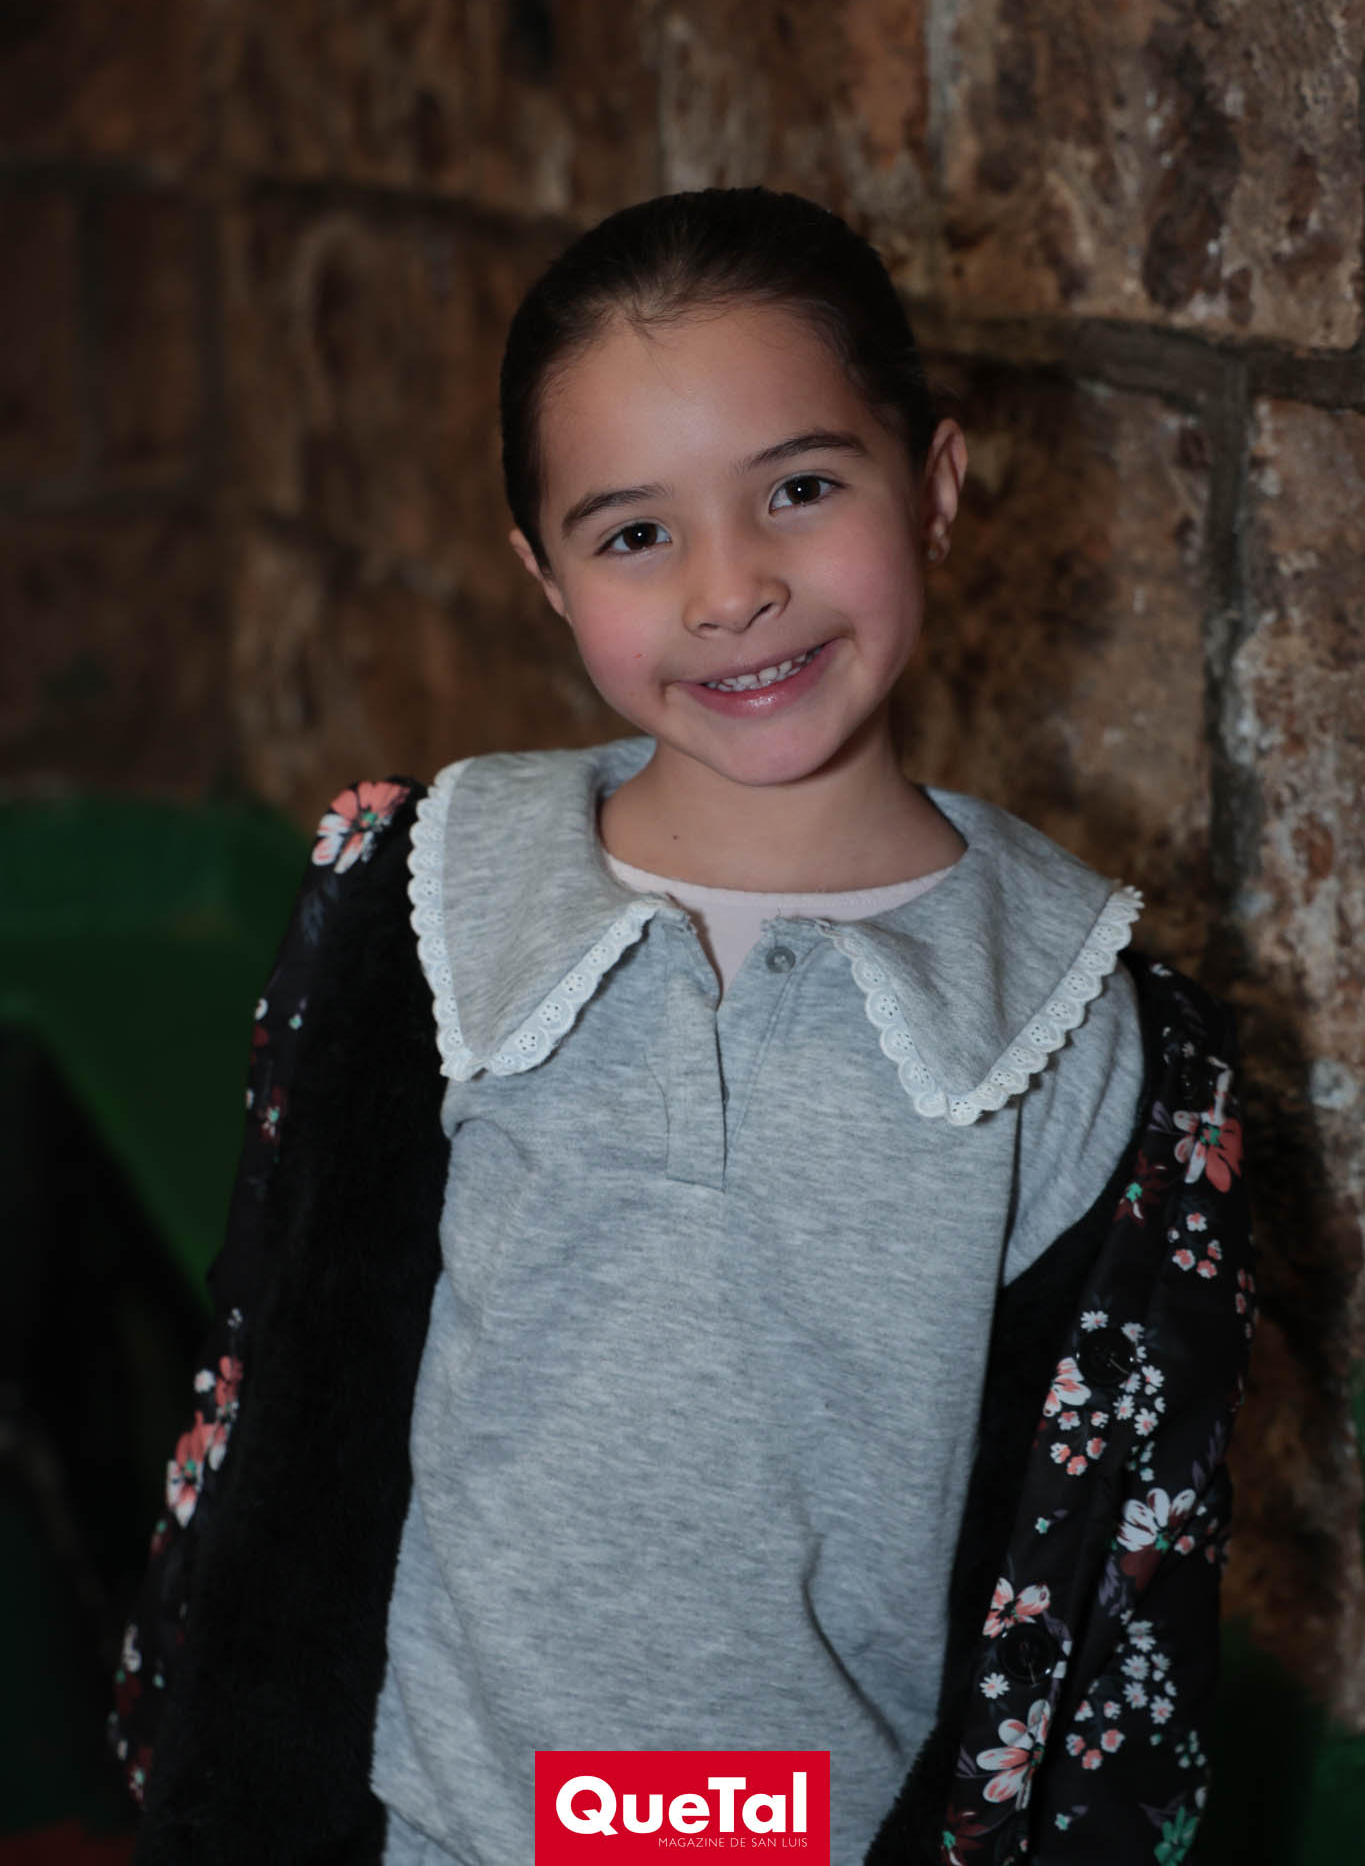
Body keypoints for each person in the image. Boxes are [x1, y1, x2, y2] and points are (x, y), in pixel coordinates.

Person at [110, 188, 1254, 1866]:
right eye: (635, 534)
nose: (732, 590)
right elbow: (284, 1400)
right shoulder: (428, 905)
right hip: (434, 1829)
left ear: (934, 486)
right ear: (544, 576)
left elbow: (1083, 1588)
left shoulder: (1076, 1027)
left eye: (799, 488)